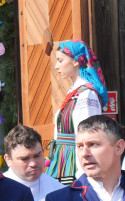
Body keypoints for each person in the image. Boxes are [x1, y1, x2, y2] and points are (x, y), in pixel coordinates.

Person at [45, 40, 109, 185]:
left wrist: (84, 174)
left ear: (75, 62)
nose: (56, 66)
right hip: (62, 160)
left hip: (73, 164)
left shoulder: (87, 94)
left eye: (61, 60)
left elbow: (89, 135)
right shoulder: (74, 92)